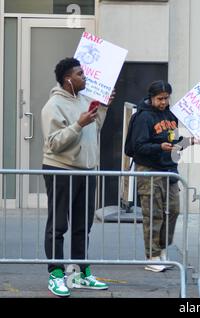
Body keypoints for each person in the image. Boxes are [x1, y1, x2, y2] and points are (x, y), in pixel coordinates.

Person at [41, 57, 111, 297]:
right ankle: (56, 275)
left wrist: (101, 107)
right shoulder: (53, 105)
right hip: (61, 169)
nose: (85, 77)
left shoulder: (83, 100)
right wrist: (78, 125)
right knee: (58, 225)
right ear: (68, 79)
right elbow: (53, 143)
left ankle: (81, 273)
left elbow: (95, 129)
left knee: (83, 225)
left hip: (86, 170)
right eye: (80, 74)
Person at [130, 80, 200, 272]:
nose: (163, 102)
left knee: (173, 210)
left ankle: (160, 248)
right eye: (159, 99)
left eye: (166, 98)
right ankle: (152, 255)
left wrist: (191, 141)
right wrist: (158, 147)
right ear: (151, 97)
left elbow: (175, 143)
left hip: (169, 169)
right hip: (149, 170)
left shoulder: (170, 115)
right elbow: (137, 147)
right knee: (153, 214)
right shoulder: (143, 117)